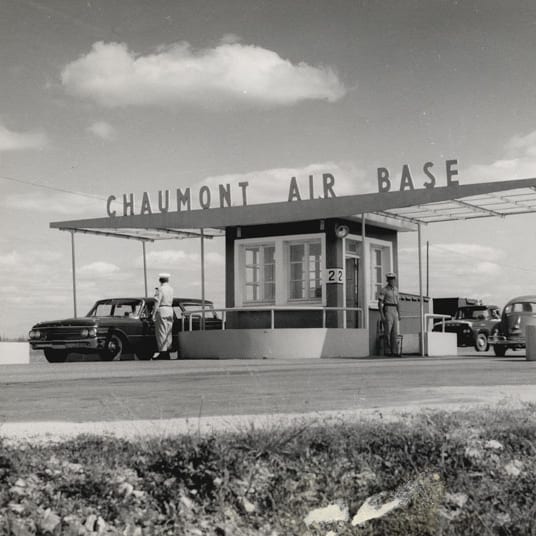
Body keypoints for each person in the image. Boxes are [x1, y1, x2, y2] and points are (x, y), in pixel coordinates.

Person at [378, 272, 401, 357]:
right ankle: (387, 351)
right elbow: (380, 303)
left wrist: (399, 314)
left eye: (393, 279)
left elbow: (398, 302)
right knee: (387, 331)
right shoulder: (384, 290)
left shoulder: (396, 289)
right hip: (387, 309)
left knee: (394, 332)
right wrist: (382, 315)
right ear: (387, 280)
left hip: (394, 310)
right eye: (390, 279)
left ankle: (394, 351)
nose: (392, 281)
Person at [152, 273, 174, 360]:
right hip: (170, 309)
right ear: (168, 280)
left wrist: (154, 313)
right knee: (169, 331)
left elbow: (157, 302)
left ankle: (163, 352)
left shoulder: (160, 289)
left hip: (162, 309)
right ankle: (168, 350)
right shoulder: (171, 289)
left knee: (161, 332)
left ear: (160, 280)